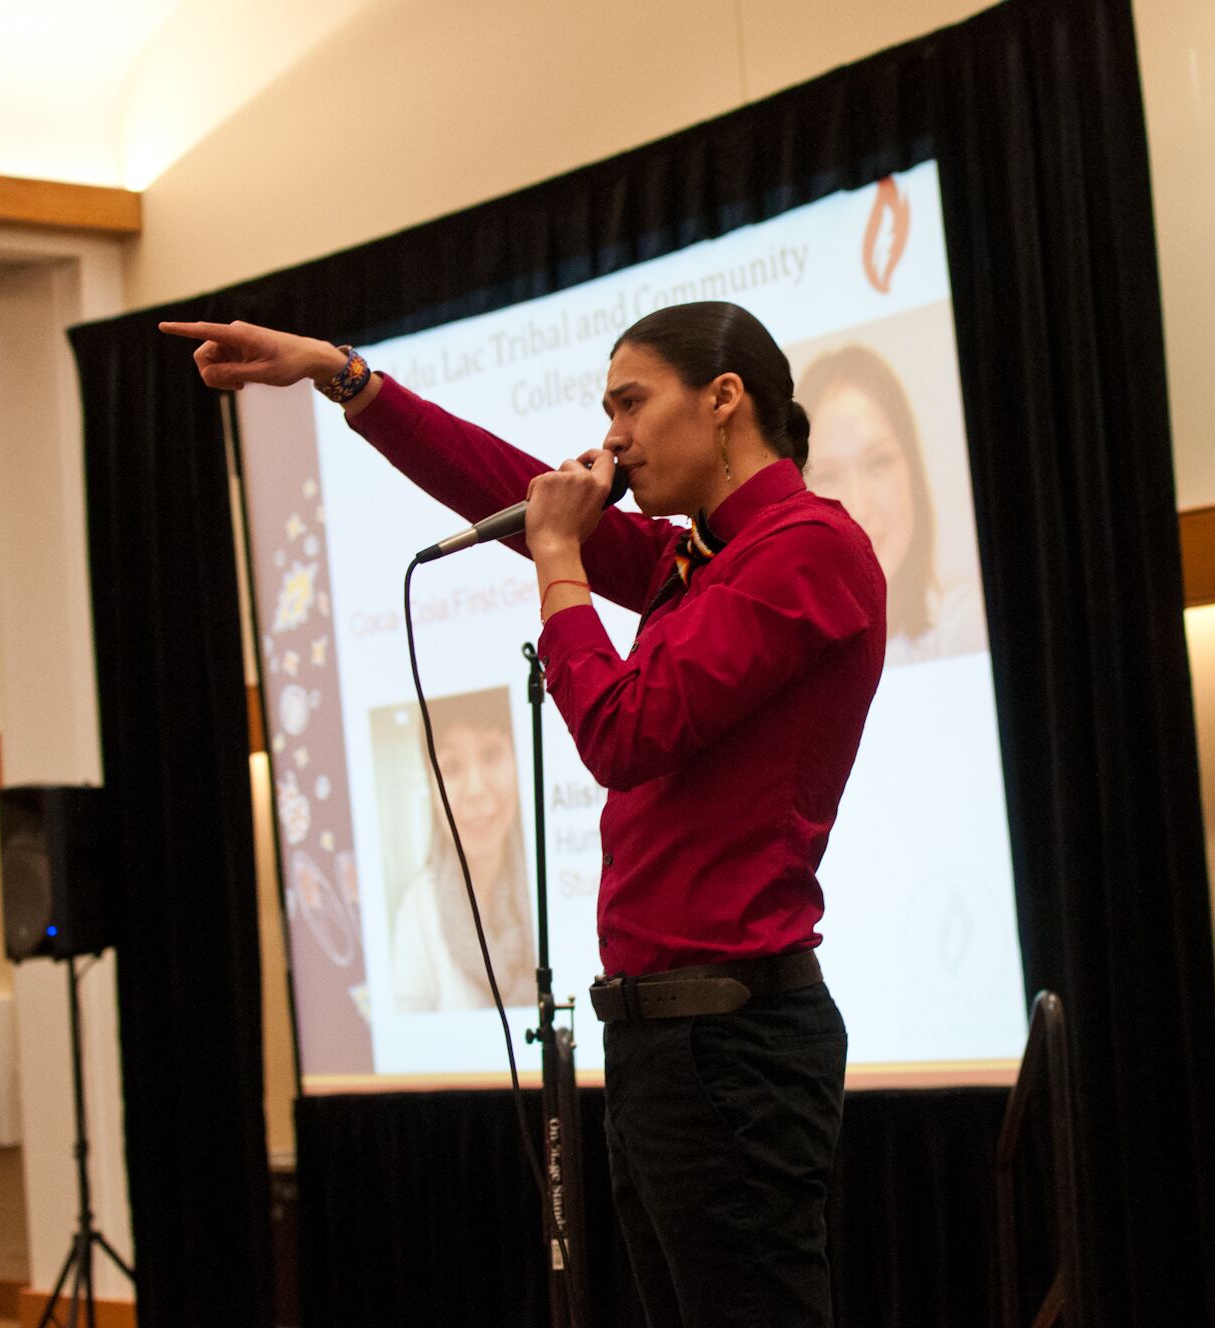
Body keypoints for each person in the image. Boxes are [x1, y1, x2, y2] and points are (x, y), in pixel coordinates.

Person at [162, 301, 887, 1328]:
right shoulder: (695, 558)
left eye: (629, 404)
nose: (612, 439)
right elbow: (502, 479)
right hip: (666, 1041)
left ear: (724, 398)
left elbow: (624, 734)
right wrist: (342, 375)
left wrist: (560, 563)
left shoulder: (805, 546)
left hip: (732, 1041)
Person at [796, 343, 987, 666]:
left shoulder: (967, 626)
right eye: (828, 476)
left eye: (878, 463)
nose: (859, 507)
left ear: (912, 470)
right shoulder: (782, 656)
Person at [383, 689, 535, 1012]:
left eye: (491, 755)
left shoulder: (556, 880)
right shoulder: (417, 912)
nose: (476, 790)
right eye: (451, 768)